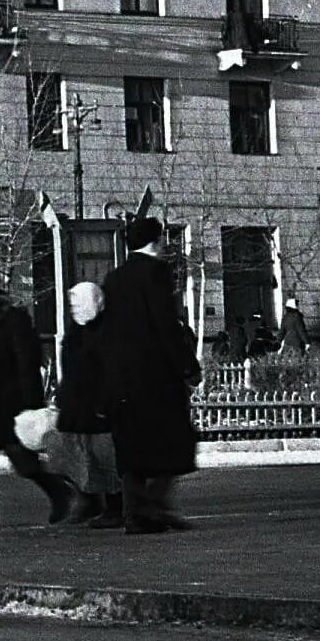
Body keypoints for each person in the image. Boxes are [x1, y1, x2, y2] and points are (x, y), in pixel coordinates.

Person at [100, 217, 201, 532]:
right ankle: (155, 504)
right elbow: (165, 324)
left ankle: (135, 513)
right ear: (156, 241)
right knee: (176, 438)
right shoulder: (156, 273)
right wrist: (187, 366)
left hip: (122, 377)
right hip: (154, 375)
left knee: (132, 445)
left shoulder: (114, 278)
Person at [0, 263, 72, 529]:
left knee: (24, 461)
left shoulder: (13, 319)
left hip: (8, 403)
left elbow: (26, 361)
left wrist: (30, 404)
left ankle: (60, 493)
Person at [48, 282, 124, 526]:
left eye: (80, 304)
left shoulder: (108, 330)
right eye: (73, 305)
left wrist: (106, 400)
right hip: (77, 404)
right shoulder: (75, 332)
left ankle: (114, 507)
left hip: (99, 405)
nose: (76, 309)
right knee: (76, 453)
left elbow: (111, 369)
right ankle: (89, 499)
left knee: (105, 457)